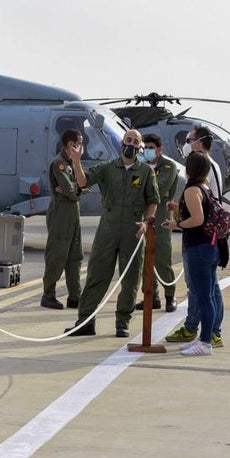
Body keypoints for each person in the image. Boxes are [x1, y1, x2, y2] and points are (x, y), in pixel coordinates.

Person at [64, 128, 158, 338]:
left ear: (139, 147)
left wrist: (146, 222)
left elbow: (153, 201)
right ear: (121, 143)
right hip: (108, 230)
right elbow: (83, 182)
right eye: (128, 140)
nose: (131, 144)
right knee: (96, 275)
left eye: (135, 142)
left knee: (130, 279)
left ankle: (122, 323)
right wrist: (77, 161)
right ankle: (85, 322)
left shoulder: (145, 172)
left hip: (133, 232)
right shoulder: (108, 168)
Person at [164, 128, 225, 347]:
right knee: (209, 290)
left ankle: (201, 334)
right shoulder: (208, 177)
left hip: (199, 243)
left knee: (202, 293)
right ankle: (210, 332)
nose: (187, 144)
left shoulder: (195, 186)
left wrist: (177, 223)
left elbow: (198, 217)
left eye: (189, 140)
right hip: (210, 241)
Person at [134, 133, 178, 312]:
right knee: (145, 260)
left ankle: (170, 295)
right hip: (143, 216)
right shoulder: (140, 164)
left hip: (161, 218)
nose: (148, 151)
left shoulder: (168, 166)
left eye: (152, 148)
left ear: (160, 149)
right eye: (146, 148)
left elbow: (159, 187)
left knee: (162, 258)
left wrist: (141, 184)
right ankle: (151, 297)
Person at [40, 129, 84, 309]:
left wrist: (74, 189)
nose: (82, 147)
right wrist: (73, 190)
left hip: (73, 211)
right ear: (70, 144)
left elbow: (82, 185)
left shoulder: (73, 164)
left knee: (75, 256)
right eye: (79, 143)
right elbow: (70, 190)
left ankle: (75, 296)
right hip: (61, 212)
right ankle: (48, 295)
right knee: (57, 254)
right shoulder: (59, 164)